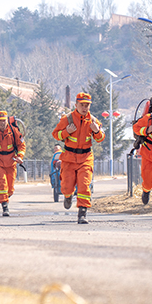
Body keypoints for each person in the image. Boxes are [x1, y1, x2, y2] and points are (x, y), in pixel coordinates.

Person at [51, 92, 105, 224]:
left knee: (84, 185)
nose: (84, 108)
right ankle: (68, 196)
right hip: (69, 158)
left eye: (87, 105)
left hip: (86, 158)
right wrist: (67, 132)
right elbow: (55, 134)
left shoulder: (93, 120)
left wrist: (97, 131)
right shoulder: (67, 119)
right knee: (66, 186)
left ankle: (82, 213)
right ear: (76, 105)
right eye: (82, 105)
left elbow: (100, 138)